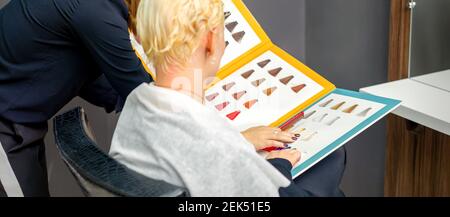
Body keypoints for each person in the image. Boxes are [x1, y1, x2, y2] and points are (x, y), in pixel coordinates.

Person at [110, 0, 346, 197]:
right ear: (211, 41)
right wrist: (279, 165)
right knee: (333, 157)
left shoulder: (136, 104)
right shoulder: (217, 145)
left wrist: (239, 141)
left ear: (140, 38)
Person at [0, 0, 152, 197]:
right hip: (7, 122)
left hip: (18, 118)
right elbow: (143, 93)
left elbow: (83, 72)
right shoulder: (96, 9)